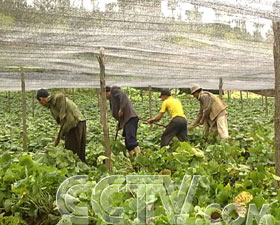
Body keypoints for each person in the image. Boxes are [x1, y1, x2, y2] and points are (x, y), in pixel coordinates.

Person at [36, 89, 87, 162]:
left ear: (42, 99)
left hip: (75, 124)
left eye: (41, 102)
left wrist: (61, 133)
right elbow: (61, 122)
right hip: (78, 122)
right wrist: (59, 135)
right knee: (77, 151)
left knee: (73, 152)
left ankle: (78, 168)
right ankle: (82, 167)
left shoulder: (55, 99)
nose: (42, 104)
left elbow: (61, 95)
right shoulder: (52, 105)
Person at [106, 86, 140, 157]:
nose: (105, 97)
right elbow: (119, 116)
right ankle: (133, 159)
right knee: (128, 143)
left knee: (131, 140)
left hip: (130, 118)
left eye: (104, 95)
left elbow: (123, 95)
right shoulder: (111, 101)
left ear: (107, 92)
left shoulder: (113, 91)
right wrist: (119, 125)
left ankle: (140, 158)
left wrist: (121, 109)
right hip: (126, 121)